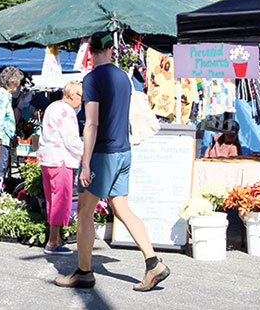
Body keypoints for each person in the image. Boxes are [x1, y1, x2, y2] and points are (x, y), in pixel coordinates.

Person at [56, 32, 170, 292]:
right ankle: (153, 263)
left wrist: (85, 163)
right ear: (110, 50)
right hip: (124, 151)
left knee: (85, 212)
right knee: (122, 208)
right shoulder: (123, 77)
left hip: (103, 154)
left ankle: (84, 272)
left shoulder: (92, 79)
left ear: (89, 51)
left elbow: (92, 122)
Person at [38, 81, 84, 255]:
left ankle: (55, 238)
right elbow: (71, 139)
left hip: (48, 158)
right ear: (74, 95)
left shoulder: (52, 106)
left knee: (52, 199)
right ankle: (53, 241)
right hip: (61, 159)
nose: (81, 101)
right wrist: (85, 152)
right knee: (61, 199)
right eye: (80, 96)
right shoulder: (67, 111)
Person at [0, 66, 23, 197]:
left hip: (3, 141)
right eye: (18, 82)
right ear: (13, 82)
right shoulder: (2, 97)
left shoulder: (3, 96)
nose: (19, 85)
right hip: (1, 142)